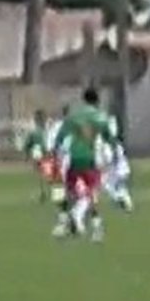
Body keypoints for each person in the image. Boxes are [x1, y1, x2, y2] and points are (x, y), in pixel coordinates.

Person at [52, 88, 117, 241]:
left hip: (74, 158)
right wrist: (114, 154)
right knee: (92, 192)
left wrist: (55, 153)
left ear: (83, 99)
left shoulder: (73, 116)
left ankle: (66, 223)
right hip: (90, 158)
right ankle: (95, 229)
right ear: (97, 101)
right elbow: (110, 139)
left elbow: (60, 138)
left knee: (70, 192)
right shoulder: (101, 117)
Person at [22, 110, 54, 202]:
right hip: (45, 152)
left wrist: (27, 154)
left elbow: (27, 144)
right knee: (47, 173)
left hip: (37, 152)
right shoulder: (46, 131)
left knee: (41, 173)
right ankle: (48, 192)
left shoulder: (35, 132)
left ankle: (43, 192)